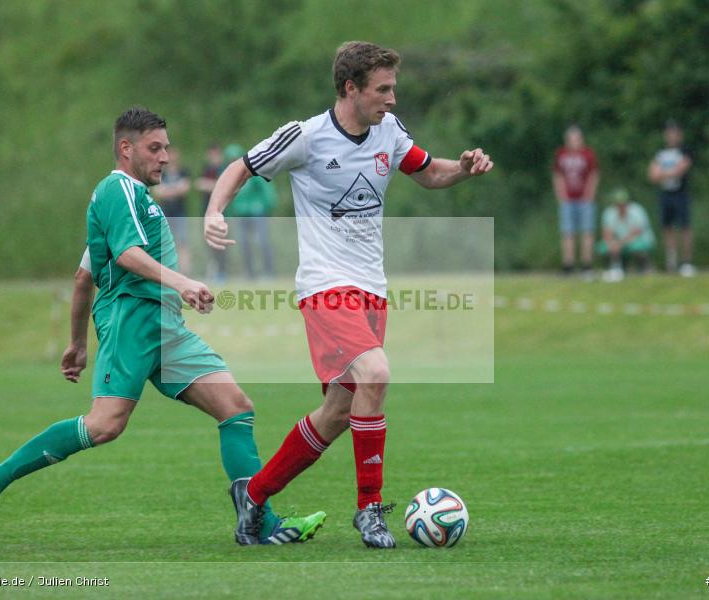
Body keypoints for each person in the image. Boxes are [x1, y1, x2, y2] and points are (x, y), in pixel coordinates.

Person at [0, 107, 325, 545]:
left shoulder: (134, 199)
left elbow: (83, 277)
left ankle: (256, 523)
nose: (165, 157)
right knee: (104, 425)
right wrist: (182, 281)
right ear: (125, 148)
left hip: (164, 327)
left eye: (167, 147)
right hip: (132, 320)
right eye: (155, 148)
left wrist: (77, 343)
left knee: (235, 406)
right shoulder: (117, 190)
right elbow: (127, 255)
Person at [205, 41, 494, 549]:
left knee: (339, 412)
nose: (392, 99)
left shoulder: (389, 131)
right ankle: (370, 511)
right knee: (377, 374)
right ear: (349, 88)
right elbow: (241, 168)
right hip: (324, 286)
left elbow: (429, 172)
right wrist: (213, 211)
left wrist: (464, 168)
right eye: (382, 90)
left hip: (371, 291)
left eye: (393, 88)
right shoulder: (305, 137)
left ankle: (256, 495)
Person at [222, 144, 276, 280]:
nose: (232, 161)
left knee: (262, 241)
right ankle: (250, 274)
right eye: (230, 159)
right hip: (241, 215)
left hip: (258, 213)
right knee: (244, 243)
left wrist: (265, 206)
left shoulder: (253, 171)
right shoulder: (228, 176)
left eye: (235, 158)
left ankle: (269, 272)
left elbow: (268, 191)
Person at [648, 121, 695, 276]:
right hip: (665, 194)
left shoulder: (685, 150)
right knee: (667, 228)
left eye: (674, 132)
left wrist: (663, 173)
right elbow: (652, 175)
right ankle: (672, 261)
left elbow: (681, 169)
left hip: (680, 193)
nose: (672, 136)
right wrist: (668, 172)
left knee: (685, 227)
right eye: (669, 132)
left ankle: (687, 262)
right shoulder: (660, 152)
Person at [552, 125, 598, 277]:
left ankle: (586, 265)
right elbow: (558, 176)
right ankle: (568, 264)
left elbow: (593, 175)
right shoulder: (561, 154)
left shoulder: (588, 154)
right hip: (568, 200)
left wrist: (589, 195)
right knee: (568, 232)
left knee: (586, 231)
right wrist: (561, 196)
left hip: (584, 199)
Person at [597, 187, 655, 282]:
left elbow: (637, 232)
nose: (620, 207)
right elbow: (607, 233)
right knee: (604, 246)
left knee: (637, 247)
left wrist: (620, 243)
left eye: (622, 204)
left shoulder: (637, 211)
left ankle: (644, 267)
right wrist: (612, 243)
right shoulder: (609, 213)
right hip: (619, 241)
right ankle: (614, 268)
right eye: (618, 204)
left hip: (638, 239)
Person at [152, 146, 193, 274]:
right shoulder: (160, 173)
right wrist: (176, 189)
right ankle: (167, 271)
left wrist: (167, 190)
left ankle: (185, 271)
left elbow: (185, 188)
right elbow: (157, 191)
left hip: (180, 212)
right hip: (165, 213)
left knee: (183, 242)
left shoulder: (183, 172)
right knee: (165, 243)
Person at [196, 144, 228, 283]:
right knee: (209, 243)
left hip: (221, 212)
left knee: (221, 243)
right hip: (206, 211)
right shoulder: (206, 169)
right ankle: (214, 272)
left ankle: (222, 272)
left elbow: (225, 186)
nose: (212, 157)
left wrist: (208, 185)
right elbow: (199, 184)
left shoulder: (225, 169)